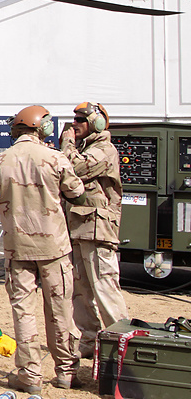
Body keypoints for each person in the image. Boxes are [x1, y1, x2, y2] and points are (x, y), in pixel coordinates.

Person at [0, 105, 86, 392]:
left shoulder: (0, 160)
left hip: (18, 248)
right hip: (54, 247)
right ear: (43, 128)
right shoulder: (55, 158)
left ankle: (30, 374)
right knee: (61, 309)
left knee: (23, 312)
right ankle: (66, 371)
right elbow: (77, 192)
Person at [59, 100, 129, 359]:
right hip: (78, 229)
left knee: (105, 288)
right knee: (80, 292)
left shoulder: (104, 150)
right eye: (74, 120)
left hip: (97, 230)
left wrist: (67, 143)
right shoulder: (82, 148)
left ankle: (122, 343)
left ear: (96, 123)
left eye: (80, 120)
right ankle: (89, 341)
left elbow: (74, 169)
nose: (74, 124)